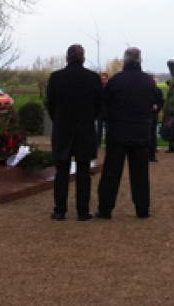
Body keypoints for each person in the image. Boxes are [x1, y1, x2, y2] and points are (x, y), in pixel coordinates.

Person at [96, 47, 159, 219]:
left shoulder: (115, 81)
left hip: (117, 133)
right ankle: (142, 209)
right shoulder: (148, 82)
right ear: (140, 60)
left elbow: (104, 104)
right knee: (140, 174)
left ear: (125, 60)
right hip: (141, 133)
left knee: (111, 173)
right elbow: (157, 101)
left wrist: (110, 119)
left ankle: (105, 208)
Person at [46, 44, 103, 221]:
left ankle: (60, 210)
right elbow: (99, 105)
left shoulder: (56, 78)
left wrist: (60, 120)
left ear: (67, 57)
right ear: (83, 57)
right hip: (85, 129)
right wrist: (88, 119)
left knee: (61, 170)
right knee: (84, 171)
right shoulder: (93, 78)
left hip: (63, 129)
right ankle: (82, 211)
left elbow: (50, 104)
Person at [94, 71, 110, 157]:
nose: (103, 80)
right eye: (102, 78)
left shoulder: (110, 87)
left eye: (105, 78)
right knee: (98, 129)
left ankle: (107, 145)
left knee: (108, 130)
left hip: (107, 112)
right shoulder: (98, 87)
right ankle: (98, 144)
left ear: (107, 79)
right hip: (100, 112)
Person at [150, 74, 164, 162]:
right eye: (153, 81)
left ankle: (153, 151)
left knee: (153, 133)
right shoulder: (146, 90)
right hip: (146, 115)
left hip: (154, 114)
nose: (154, 82)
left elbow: (161, 102)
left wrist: (157, 107)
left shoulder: (159, 91)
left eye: (155, 81)